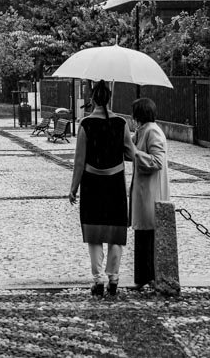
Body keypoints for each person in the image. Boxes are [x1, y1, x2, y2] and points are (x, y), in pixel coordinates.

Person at [68, 80, 129, 297]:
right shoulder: (121, 123)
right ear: (110, 98)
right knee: (115, 232)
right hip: (115, 184)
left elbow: (79, 161)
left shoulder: (85, 125)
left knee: (94, 233)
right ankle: (113, 277)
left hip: (93, 184)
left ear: (93, 99)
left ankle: (98, 279)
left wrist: (73, 188)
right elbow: (129, 154)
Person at [124, 97, 170, 290]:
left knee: (148, 236)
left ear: (138, 115)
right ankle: (142, 277)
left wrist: (135, 151)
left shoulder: (152, 131)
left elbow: (157, 161)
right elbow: (130, 152)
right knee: (142, 234)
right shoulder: (143, 131)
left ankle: (148, 277)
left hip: (151, 193)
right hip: (143, 191)